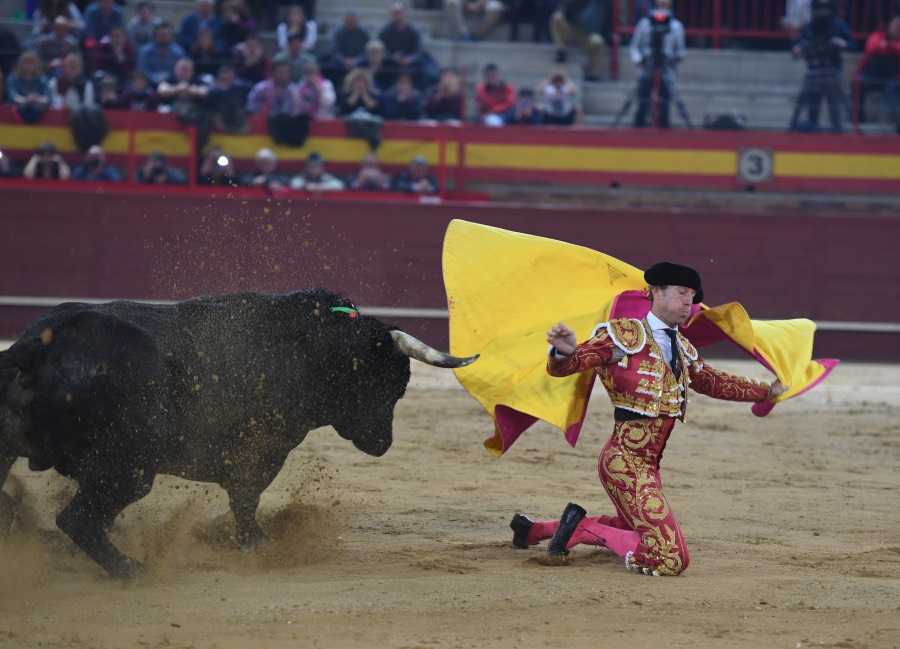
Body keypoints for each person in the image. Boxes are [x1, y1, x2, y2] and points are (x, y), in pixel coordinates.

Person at [510, 262, 786, 576]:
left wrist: (767, 392)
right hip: (623, 464)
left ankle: (534, 530)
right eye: (682, 292)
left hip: (649, 467)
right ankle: (581, 528)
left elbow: (714, 382)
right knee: (670, 558)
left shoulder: (682, 347)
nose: (688, 302)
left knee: (635, 530)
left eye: (692, 296)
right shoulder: (623, 335)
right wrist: (564, 352)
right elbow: (569, 366)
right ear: (656, 291)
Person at [788, 0, 851, 133]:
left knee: (835, 107)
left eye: (825, 9)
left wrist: (842, 44)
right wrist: (797, 49)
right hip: (813, 72)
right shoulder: (809, 27)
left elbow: (852, 44)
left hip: (832, 72)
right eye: (819, 9)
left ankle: (838, 133)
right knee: (812, 107)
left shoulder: (838, 25)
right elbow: (797, 46)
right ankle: (812, 130)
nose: (822, 12)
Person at [628, 0, 686, 128]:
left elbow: (681, 51)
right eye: (660, 5)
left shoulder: (676, 26)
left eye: (666, 5)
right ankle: (638, 127)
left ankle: (664, 127)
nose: (663, 9)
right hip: (647, 65)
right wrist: (638, 60)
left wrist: (674, 60)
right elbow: (634, 46)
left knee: (664, 101)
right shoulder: (644, 24)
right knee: (643, 98)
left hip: (666, 66)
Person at [855, 15, 900, 126]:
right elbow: (872, 47)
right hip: (871, 76)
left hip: (891, 78)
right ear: (889, 26)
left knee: (893, 87)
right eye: (896, 26)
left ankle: (889, 119)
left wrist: (888, 45)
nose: (897, 29)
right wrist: (890, 48)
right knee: (858, 84)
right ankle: (859, 119)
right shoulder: (878, 35)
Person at [551, 0, 611, 81]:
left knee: (599, 43)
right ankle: (560, 51)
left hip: (590, 35)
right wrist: (560, 12)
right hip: (575, 29)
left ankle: (591, 72)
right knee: (556, 20)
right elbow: (565, 4)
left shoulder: (607, 4)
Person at [321, 10, 370, 89]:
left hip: (359, 62)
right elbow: (334, 50)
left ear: (358, 21)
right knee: (329, 65)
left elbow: (367, 51)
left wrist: (356, 60)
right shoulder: (338, 32)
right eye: (349, 21)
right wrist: (344, 60)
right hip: (341, 63)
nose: (351, 23)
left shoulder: (364, 33)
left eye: (353, 21)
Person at [6, 50, 52, 124]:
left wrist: (36, 99)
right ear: (20, 64)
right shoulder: (12, 79)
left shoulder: (42, 80)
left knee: (37, 108)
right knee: (20, 108)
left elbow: (48, 98)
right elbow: (13, 96)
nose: (28, 66)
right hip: (17, 111)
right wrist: (26, 100)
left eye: (31, 63)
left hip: (38, 110)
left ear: (36, 65)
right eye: (25, 63)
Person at [137, 21, 187, 86]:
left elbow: (183, 71)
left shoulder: (179, 52)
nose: (164, 38)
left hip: (173, 85)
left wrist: (168, 79)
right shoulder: (145, 51)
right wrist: (156, 79)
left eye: (167, 35)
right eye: (161, 35)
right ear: (155, 36)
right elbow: (142, 70)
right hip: (149, 84)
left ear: (171, 36)